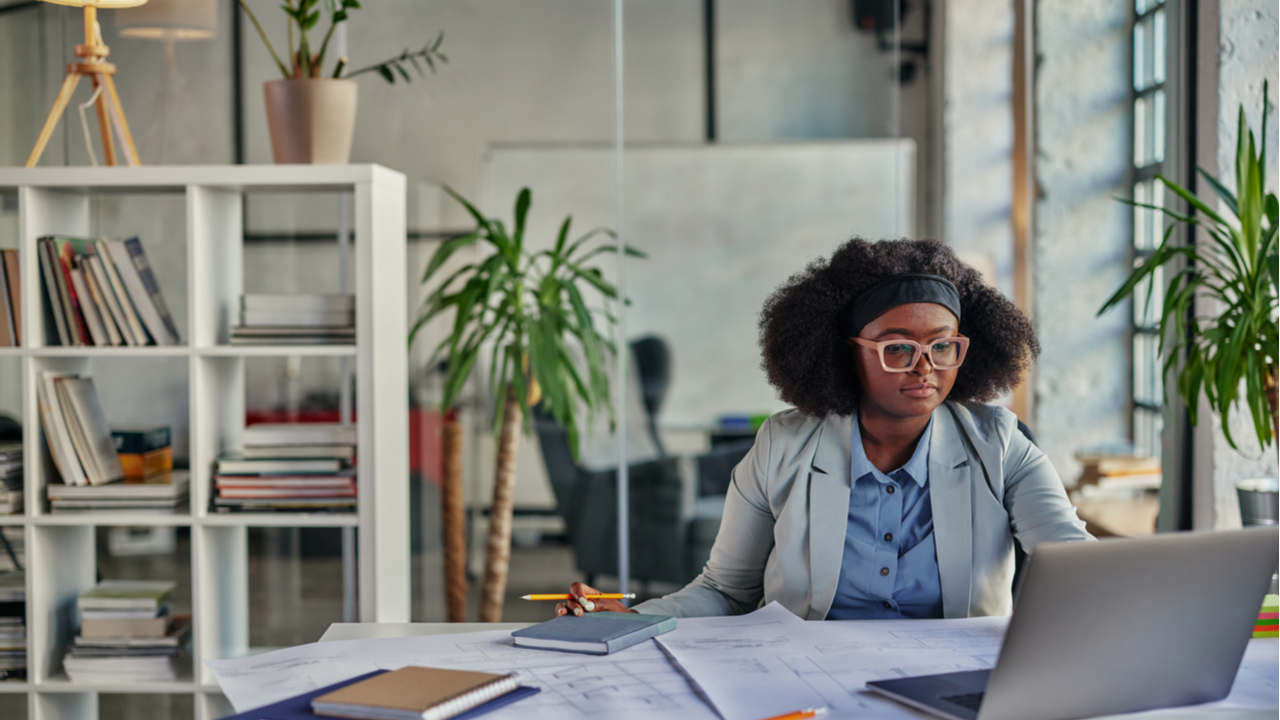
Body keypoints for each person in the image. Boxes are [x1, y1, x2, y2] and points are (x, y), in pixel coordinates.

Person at [556, 237, 1093, 621]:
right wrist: (627, 617)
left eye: (942, 346)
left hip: (955, 693)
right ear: (846, 354)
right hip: (806, 691)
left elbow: (1076, 566)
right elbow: (724, 590)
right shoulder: (783, 444)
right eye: (898, 347)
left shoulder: (1000, 444)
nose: (925, 366)